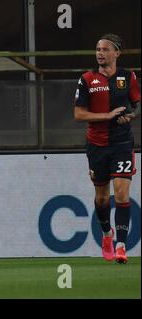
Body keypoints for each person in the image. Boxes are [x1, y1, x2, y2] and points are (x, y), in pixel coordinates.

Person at [74, 33, 140, 264]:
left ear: (116, 53)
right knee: (102, 198)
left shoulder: (128, 77)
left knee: (122, 193)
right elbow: (78, 114)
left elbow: (136, 105)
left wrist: (130, 115)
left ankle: (121, 246)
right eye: (97, 49)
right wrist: (107, 115)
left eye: (105, 49)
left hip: (122, 143)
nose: (100, 53)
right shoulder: (86, 79)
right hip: (97, 145)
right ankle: (107, 235)